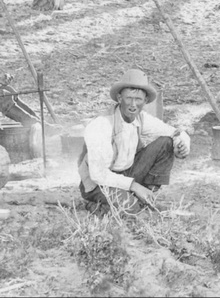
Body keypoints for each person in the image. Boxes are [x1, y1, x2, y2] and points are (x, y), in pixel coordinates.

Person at [78, 69, 190, 212]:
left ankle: (147, 197)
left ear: (145, 101)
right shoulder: (102, 125)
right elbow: (98, 174)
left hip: (126, 174)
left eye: (138, 99)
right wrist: (134, 186)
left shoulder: (140, 118)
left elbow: (174, 132)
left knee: (166, 143)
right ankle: (93, 206)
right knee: (131, 208)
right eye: (128, 98)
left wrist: (182, 145)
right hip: (98, 184)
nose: (133, 104)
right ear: (119, 98)